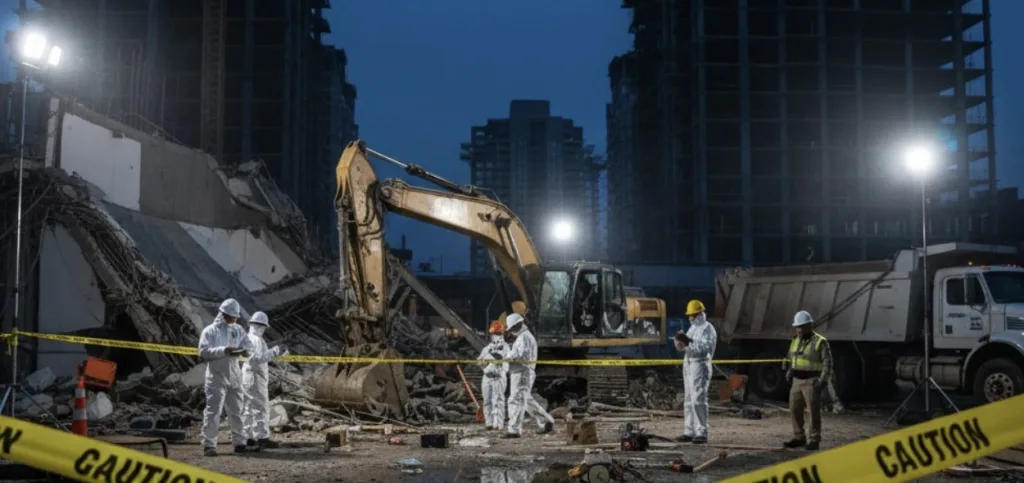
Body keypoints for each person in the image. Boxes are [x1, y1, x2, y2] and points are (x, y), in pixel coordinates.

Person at [199, 298, 254, 456]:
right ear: (223, 315)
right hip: (216, 378)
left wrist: (245, 352)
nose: (234, 320)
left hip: (234, 376)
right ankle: (209, 445)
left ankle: (239, 442)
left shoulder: (238, 330)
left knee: (236, 410)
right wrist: (224, 350)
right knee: (213, 411)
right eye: (232, 317)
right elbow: (203, 352)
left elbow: (248, 346)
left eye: (236, 317)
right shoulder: (209, 331)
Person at [784, 310, 833, 451]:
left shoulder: (820, 342)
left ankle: (814, 439)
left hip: (811, 381)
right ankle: (799, 437)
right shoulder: (795, 341)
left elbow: (827, 363)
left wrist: (822, 381)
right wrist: (789, 371)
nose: (798, 330)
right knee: (794, 409)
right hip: (797, 381)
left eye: (801, 327)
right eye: (797, 327)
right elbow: (791, 358)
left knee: (813, 412)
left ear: (809, 326)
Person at [500, 313, 555, 438]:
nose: (511, 331)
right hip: (520, 372)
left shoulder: (524, 337)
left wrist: (505, 357)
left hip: (522, 372)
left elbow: (520, 357)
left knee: (516, 400)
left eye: (512, 328)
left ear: (517, 325)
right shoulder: (522, 337)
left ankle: (514, 430)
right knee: (525, 400)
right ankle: (546, 422)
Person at [242, 311, 289, 449]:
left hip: (247, 376)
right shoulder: (257, 340)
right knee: (261, 408)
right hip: (256, 377)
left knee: (248, 408)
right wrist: (276, 350)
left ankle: (248, 436)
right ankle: (262, 437)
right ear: (262, 326)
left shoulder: (247, 337)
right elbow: (258, 358)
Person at [674, 299, 717, 444]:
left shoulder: (707, 328)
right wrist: (679, 341)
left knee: (698, 399)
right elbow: (685, 347)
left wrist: (687, 341)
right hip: (689, 364)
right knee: (688, 400)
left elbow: (703, 348)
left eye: (692, 314)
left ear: (699, 313)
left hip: (700, 364)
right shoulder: (692, 328)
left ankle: (702, 432)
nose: (690, 317)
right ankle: (689, 431)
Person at [478, 321, 509, 431]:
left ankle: (498, 424)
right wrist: (487, 360)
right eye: (494, 334)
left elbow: (507, 365)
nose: (495, 336)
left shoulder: (506, 348)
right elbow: (479, 361)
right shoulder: (487, 348)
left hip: (498, 378)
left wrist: (500, 364)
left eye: (497, 334)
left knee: (498, 401)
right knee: (487, 401)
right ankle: (489, 423)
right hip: (487, 378)